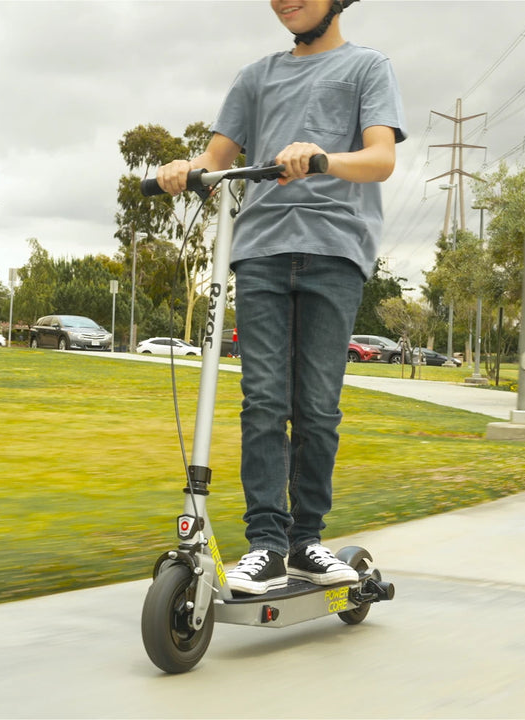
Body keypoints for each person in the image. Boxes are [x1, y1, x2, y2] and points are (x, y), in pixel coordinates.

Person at [156, 0, 407, 594]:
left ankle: (307, 541)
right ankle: (267, 544)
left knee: (317, 407)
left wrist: (319, 159)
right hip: (261, 251)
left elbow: (381, 159)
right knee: (264, 400)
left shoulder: (369, 68)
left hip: (335, 251)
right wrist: (179, 170)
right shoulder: (255, 77)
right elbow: (214, 161)